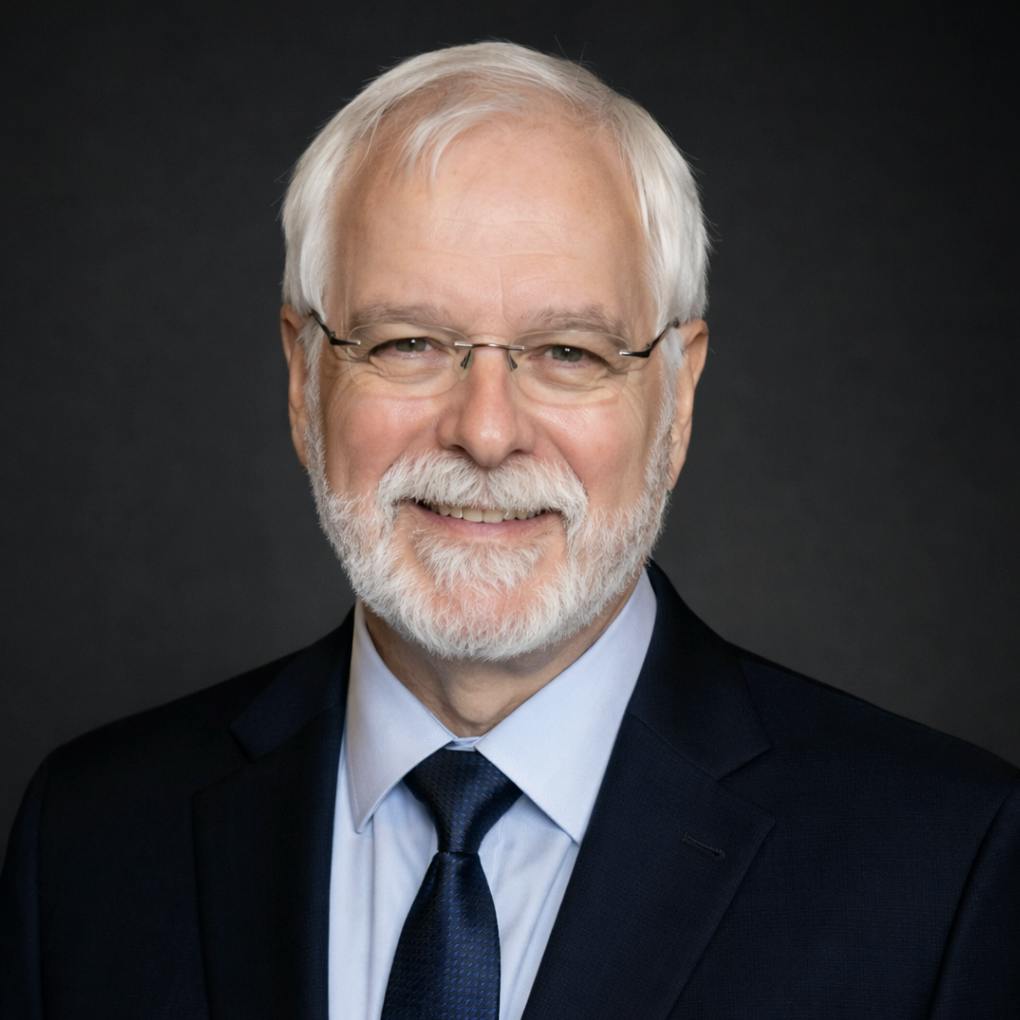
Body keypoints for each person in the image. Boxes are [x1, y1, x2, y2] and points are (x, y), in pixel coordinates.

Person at [1, 40, 1017, 1020]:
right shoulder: (89, 839)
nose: (486, 432)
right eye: (407, 342)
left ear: (679, 391)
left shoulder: (946, 870)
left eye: (568, 352)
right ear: (305, 376)